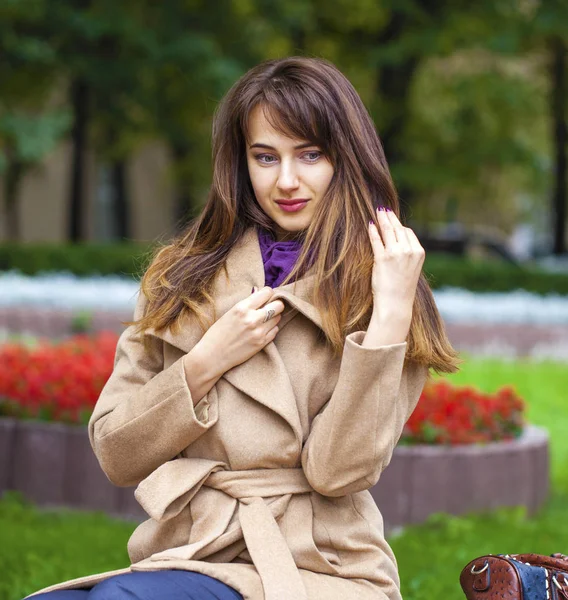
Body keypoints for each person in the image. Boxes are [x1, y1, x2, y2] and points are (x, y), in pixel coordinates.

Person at [26, 56, 460, 600]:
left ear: (345, 160)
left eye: (310, 155)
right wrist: (207, 360)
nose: (286, 180)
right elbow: (116, 454)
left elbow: (336, 473)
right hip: (193, 548)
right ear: (241, 163)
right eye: (264, 156)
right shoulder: (182, 275)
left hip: (321, 564)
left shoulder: (385, 288)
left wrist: (390, 313)